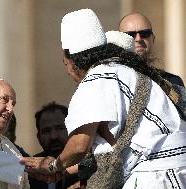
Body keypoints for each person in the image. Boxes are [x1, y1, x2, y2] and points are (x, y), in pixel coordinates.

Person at [20, 9, 186, 188]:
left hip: (156, 176)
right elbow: (113, 149)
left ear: (70, 59)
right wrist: (64, 170)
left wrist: (53, 166)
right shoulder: (123, 70)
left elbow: (79, 145)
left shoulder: (96, 79)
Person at [119, 12, 184, 86]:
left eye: (145, 33)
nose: (138, 39)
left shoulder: (173, 82)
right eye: (130, 35)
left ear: (153, 39)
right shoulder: (110, 81)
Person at [29, 102, 79, 189]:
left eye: (60, 128)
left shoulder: (88, 163)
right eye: (46, 131)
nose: (53, 136)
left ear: (73, 130)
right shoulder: (33, 170)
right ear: (39, 137)